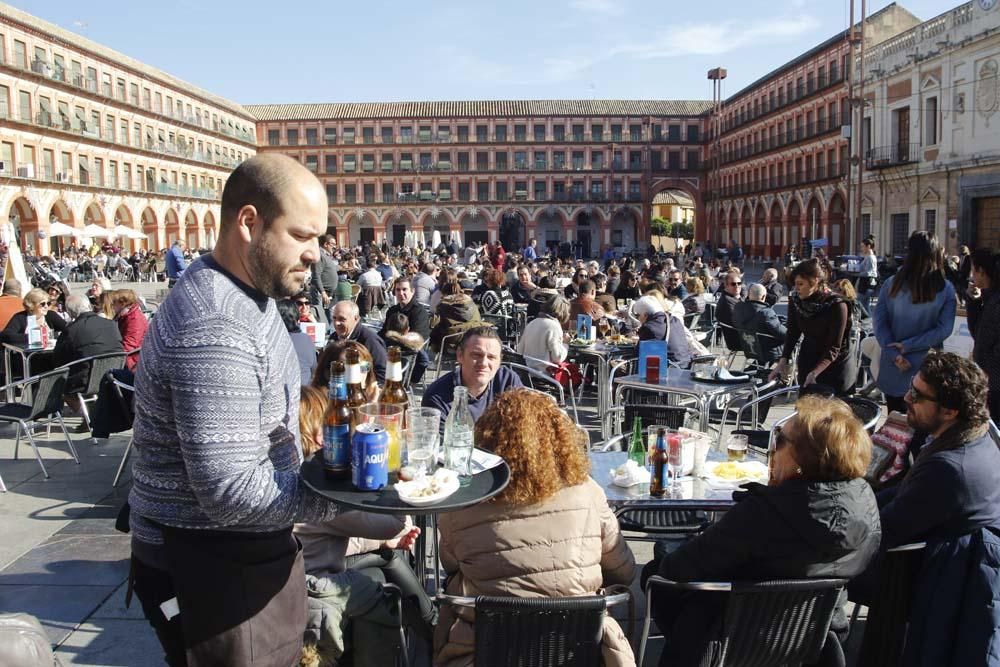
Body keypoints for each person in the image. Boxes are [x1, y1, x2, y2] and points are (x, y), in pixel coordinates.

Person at [127, 154, 340, 666]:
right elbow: (230, 493)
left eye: (319, 237)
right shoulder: (216, 326)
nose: (316, 253)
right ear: (248, 222)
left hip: (238, 555)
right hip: (210, 567)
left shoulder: (250, 293)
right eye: (301, 235)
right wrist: (346, 494)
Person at [643, 395, 880, 666]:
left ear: (802, 461)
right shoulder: (865, 502)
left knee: (655, 573)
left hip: (732, 638)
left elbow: (679, 569)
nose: (771, 449)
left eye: (779, 440)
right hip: (816, 637)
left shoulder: (765, 514)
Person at [436, 390, 636, 667]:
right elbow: (624, 571)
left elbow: (451, 565)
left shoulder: (463, 503)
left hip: (482, 655)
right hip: (577, 653)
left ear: (485, 440)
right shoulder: (588, 493)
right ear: (559, 439)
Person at [874, 231, 956, 414]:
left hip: (894, 365)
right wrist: (908, 346)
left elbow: (879, 324)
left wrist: (894, 352)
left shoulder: (891, 284)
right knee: (923, 429)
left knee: (894, 425)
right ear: (936, 253)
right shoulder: (946, 289)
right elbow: (944, 329)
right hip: (926, 367)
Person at [770, 259, 856, 395]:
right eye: (794, 284)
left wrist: (815, 372)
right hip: (808, 357)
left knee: (834, 413)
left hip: (834, 364)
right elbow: (792, 333)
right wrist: (782, 361)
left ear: (815, 281)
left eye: (800, 284)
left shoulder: (837, 305)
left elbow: (834, 346)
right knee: (806, 410)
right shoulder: (796, 300)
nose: (796, 288)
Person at [422, 326, 522, 430]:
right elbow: (440, 443)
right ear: (460, 355)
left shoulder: (508, 381)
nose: (483, 363)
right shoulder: (437, 397)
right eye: (476, 355)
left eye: (491, 357)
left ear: (500, 361)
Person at [965, 247, 1000, 419]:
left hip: (994, 384)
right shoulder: (989, 298)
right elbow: (977, 333)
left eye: (973, 270)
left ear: (981, 271)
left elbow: (981, 339)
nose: (971, 275)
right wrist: (974, 301)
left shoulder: (995, 303)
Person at [380, 277, 431, 384]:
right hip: (389, 353)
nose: (401, 293)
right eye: (398, 290)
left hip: (408, 359)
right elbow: (383, 332)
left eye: (404, 289)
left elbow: (416, 340)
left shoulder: (419, 312)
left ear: (412, 291)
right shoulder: (392, 310)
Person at [330, 300, 387, 382]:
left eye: (342, 319)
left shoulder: (370, 340)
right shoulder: (334, 338)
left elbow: (382, 373)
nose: (336, 323)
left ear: (356, 319)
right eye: (334, 318)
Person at [733, 283, 787, 364]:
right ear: (763, 297)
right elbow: (782, 333)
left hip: (749, 347)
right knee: (792, 342)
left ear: (749, 295)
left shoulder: (738, 308)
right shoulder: (766, 313)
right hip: (768, 351)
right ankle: (785, 373)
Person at [313, 340, 380, 403]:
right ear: (328, 373)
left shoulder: (378, 399)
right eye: (349, 368)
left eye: (364, 367)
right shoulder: (316, 404)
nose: (357, 373)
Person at [517, 292, 569, 372]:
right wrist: (565, 344)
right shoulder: (553, 327)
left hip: (527, 372)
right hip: (544, 374)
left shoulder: (532, 323)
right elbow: (557, 357)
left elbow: (520, 350)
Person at [0, 287, 70, 346]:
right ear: (31, 305)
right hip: (27, 358)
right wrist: (34, 338)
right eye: (42, 304)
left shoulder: (50, 315)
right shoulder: (20, 317)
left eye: (48, 303)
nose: (46, 306)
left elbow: (69, 329)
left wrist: (53, 336)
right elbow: (6, 336)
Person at [277, 299, 318, 386]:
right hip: (305, 392)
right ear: (297, 319)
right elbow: (314, 369)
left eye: (307, 303)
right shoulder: (306, 339)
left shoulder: (274, 340)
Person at [111, 290, 148, 370]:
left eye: (114, 302)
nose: (112, 305)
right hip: (125, 357)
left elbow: (128, 346)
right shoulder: (124, 315)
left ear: (122, 304)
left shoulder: (135, 319)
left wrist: (110, 353)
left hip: (132, 363)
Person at [478, 269, 515, 339]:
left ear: (489, 281)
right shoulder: (507, 294)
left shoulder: (483, 294)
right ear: (501, 281)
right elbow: (510, 312)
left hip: (486, 330)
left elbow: (480, 310)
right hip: (503, 331)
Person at [309, 233, 339, 320]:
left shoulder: (326, 255)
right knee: (322, 318)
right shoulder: (320, 255)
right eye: (333, 244)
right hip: (321, 293)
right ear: (326, 244)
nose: (335, 247)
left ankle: (327, 332)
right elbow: (316, 275)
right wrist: (323, 292)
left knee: (328, 317)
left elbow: (326, 270)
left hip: (328, 293)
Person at [714, 270, 744, 351]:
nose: (737, 286)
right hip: (738, 340)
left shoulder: (734, 298)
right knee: (774, 346)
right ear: (726, 286)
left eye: (739, 283)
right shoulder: (727, 301)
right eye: (733, 284)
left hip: (742, 336)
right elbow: (739, 322)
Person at [853, 237, 878, 318]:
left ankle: (868, 322)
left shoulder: (870, 258)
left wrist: (856, 274)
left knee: (860, 304)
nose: (861, 248)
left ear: (869, 246)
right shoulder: (868, 257)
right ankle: (869, 322)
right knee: (865, 305)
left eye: (863, 246)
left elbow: (869, 272)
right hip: (866, 283)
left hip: (866, 283)